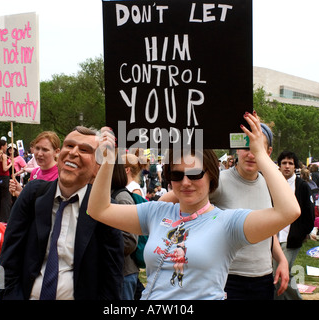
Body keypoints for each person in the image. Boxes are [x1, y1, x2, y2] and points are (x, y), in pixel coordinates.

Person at [87, 112, 300, 300]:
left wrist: (260, 154)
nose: (186, 182)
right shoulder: (156, 212)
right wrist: (108, 160)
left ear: (211, 176)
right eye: (177, 175)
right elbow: (98, 210)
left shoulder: (228, 223)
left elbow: (289, 211)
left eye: (195, 173)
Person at [159, 122, 290, 300]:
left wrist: (281, 259)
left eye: (256, 148)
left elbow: (266, 229)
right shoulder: (219, 181)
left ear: (267, 152)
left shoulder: (269, 184)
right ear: (236, 149)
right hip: (227, 278)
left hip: (263, 277)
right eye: (245, 147)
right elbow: (166, 202)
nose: (250, 154)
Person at [0, 126, 124, 300]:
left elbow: (112, 276)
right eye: (69, 145)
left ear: (98, 167)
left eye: (84, 150)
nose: (73, 152)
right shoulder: (33, 195)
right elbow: (8, 257)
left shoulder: (105, 210)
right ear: (59, 155)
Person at [275, 150, 315, 300]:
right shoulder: (273, 182)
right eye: (284, 163)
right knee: (275, 274)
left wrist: (300, 233)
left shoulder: (302, 186)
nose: (287, 166)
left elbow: (309, 213)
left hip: (291, 238)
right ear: (279, 166)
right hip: (273, 237)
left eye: (290, 163)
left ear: (295, 167)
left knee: (280, 273)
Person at [110, 162, 139, 300]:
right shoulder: (109, 194)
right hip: (115, 271)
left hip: (124, 273)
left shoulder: (122, 198)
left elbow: (130, 240)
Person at [9, 131, 60, 197]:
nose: (39, 154)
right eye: (37, 148)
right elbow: (31, 202)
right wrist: (20, 193)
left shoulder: (61, 174)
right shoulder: (35, 173)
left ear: (56, 152)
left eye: (45, 150)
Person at [0, 140, 12, 222]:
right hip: (4, 177)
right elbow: (5, 168)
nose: (6, 147)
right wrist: (11, 163)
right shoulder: (3, 156)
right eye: (6, 145)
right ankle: (4, 218)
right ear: (2, 146)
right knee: (5, 198)